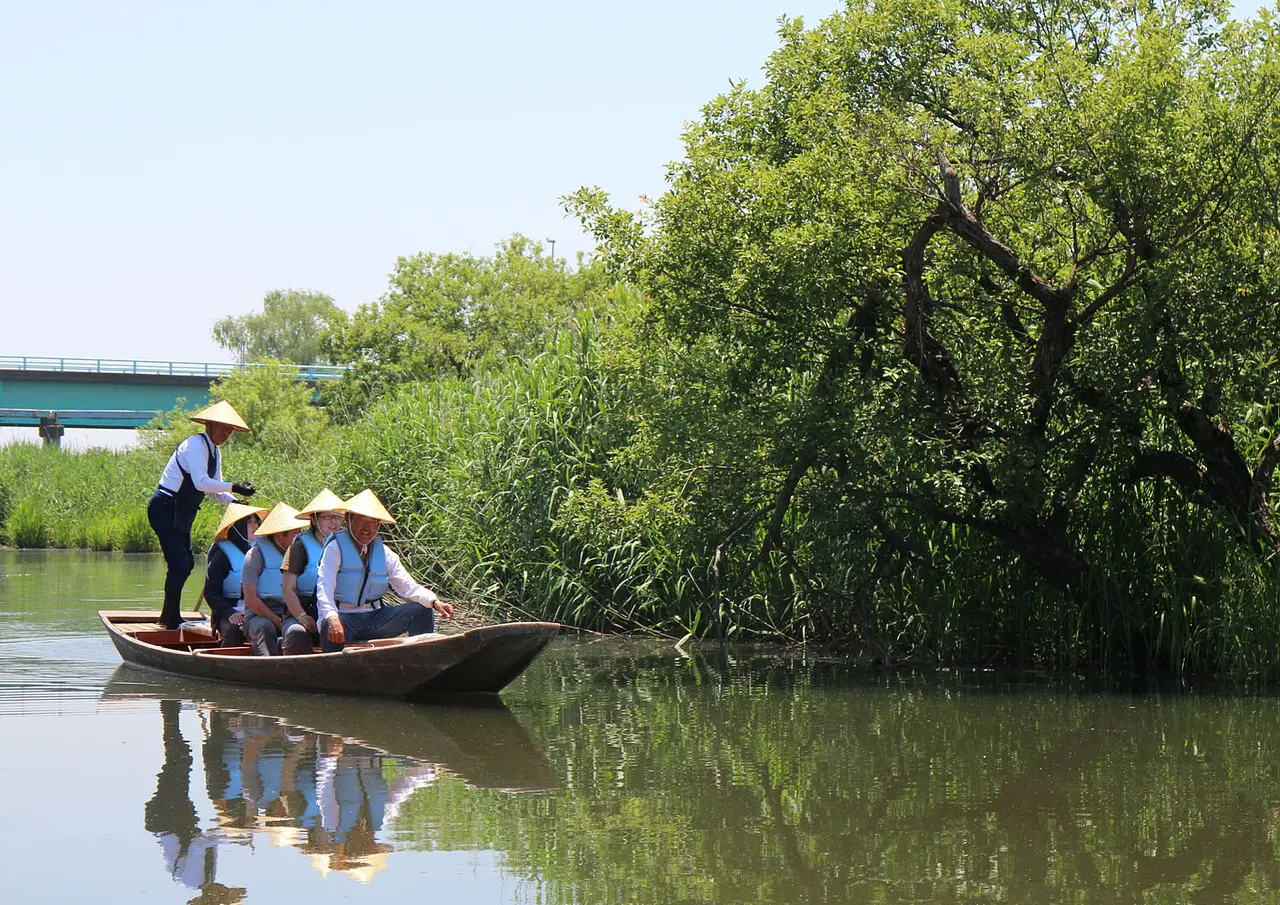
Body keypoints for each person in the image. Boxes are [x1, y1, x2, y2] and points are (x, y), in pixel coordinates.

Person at [148, 400, 257, 630]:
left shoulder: (215, 453)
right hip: (165, 507)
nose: (226, 433)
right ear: (209, 425)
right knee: (180, 563)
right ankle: (170, 619)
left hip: (182, 512)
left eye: (230, 430)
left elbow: (214, 492)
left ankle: (168, 616)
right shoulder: (196, 445)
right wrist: (234, 486)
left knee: (184, 564)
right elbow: (201, 482)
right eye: (222, 427)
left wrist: (235, 502)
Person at [316, 490, 453, 653]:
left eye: (373, 522)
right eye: (361, 520)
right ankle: (334, 671)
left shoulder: (384, 553)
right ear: (349, 520)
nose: (367, 528)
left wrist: (435, 602)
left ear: (379, 525)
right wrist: (332, 617)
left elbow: (407, 586)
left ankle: (422, 660)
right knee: (327, 624)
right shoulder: (335, 548)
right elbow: (324, 587)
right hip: (344, 619)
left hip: (375, 619)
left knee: (422, 610)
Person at [280, 488, 346, 651]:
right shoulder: (299, 547)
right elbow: (288, 589)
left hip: (337, 611)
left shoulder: (346, 545)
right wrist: (302, 616)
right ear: (315, 520)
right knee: (297, 633)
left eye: (338, 517)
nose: (334, 522)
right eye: (328, 517)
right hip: (303, 612)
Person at [241, 502, 311, 656]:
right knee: (265, 627)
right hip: (259, 615)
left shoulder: (300, 553)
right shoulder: (254, 556)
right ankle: (267, 666)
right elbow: (250, 600)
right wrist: (278, 621)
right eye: (294, 533)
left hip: (292, 611)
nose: (299, 537)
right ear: (279, 535)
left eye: (300, 532)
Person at [203, 502, 269, 646]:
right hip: (230, 612)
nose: (255, 527)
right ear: (237, 527)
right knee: (237, 630)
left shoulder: (261, 549)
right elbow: (211, 592)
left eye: (255, 522)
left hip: (259, 609)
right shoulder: (221, 555)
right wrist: (229, 613)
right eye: (249, 523)